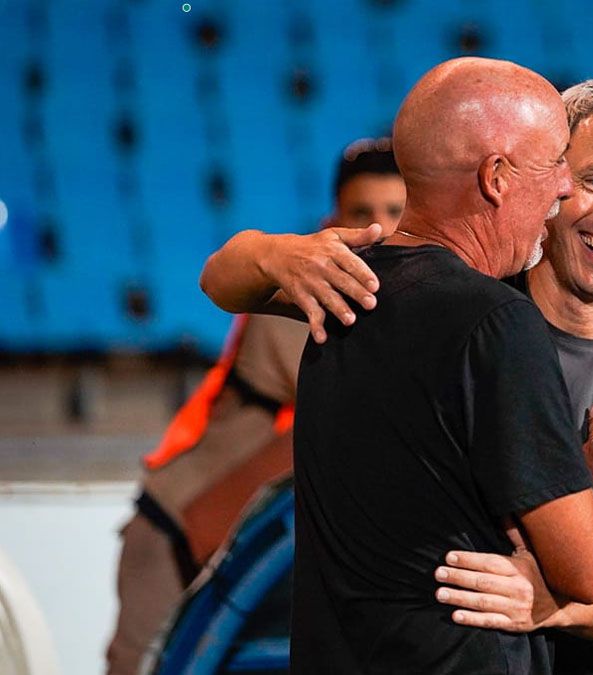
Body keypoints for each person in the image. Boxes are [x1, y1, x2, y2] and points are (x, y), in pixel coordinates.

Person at [201, 73, 593, 675]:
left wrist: (550, 607)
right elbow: (222, 279)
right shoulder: (435, 305)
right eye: (592, 180)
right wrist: (276, 250)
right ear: (540, 178)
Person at [104, 138, 406, 675]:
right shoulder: (297, 295)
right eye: (363, 213)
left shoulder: (392, 303)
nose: (379, 229)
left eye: (395, 212)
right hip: (174, 529)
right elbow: (372, 402)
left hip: (241, 542)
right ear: (333, 218)